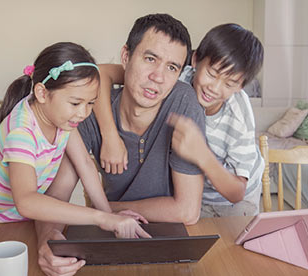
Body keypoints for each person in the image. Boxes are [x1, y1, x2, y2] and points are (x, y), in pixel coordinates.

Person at [35, 14, 205, 276]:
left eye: (172, 67)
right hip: (113, 241)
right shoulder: (87, 111)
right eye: (150, 59)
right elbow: (56, 197)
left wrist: (101, 211)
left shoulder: (184, 104)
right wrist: (47, 240)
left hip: (169, 243)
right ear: (125, 56)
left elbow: (187, 211)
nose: (158, 77)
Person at [0, 42, 150, 239]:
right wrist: (101, 218)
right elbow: (26, 201)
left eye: (90, 103)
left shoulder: (62, 119)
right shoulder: (22, 131)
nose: (83, 113)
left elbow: (85, 163)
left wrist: (110, 216)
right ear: (41, 93)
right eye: (76, 103)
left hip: (16, 219)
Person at [98, 23, 265, 217]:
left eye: (230, 83)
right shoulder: (175, 75)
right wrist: (110, 135)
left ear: (241, 86)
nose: (215, 88)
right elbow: (101, 73)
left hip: (234, 201)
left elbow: (237, 192)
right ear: (195, 60)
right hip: (194, 194)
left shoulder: (238, 116)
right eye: (212, 74)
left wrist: (201, 154)